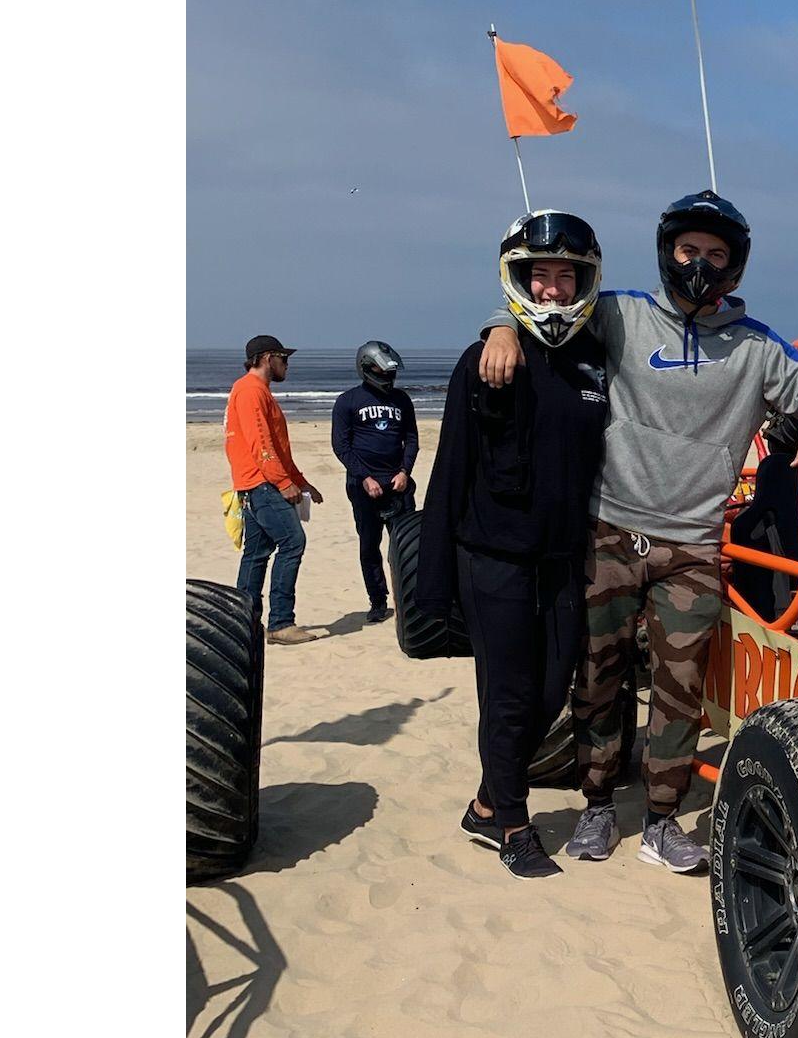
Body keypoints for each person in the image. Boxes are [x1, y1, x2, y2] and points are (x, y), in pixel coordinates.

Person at [479, 189, 798, 874]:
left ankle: (660, 820)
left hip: (692, 544)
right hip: (608, 530)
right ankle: (596, 806)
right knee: (596, 680)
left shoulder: (754, 346)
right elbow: (548, 308)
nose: (699, 264)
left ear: (734, 265)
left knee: (679, 690)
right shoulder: (620, 314)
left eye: (715, 254)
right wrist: (499, 327)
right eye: (688, 251)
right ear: (666, 252)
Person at [418, 214, 610, 880]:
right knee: (507, 695)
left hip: (561, 558)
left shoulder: (594, 362)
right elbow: (447, 474)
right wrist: (431, 589)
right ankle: (514, 823)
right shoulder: (485, 362)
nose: (553, 290)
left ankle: (484, 800)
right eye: (541, 275)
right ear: (518, 278)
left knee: (552, 692)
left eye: (566, 276)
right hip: (491, 560)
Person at [226, 334, 327, 644]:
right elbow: (262, 446)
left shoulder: (257, 392)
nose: (287, 364)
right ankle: (280, 622)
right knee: (293, 542)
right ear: (268, 357)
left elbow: (279, 450)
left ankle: (243, 623)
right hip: (262, 484)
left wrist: (301, 481)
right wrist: (283, 484)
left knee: (256, 553)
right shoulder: (250, 391)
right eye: (284, 358)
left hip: (258, 483)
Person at [331, 341, 420, 624]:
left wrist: (405, 471)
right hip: (364, 487)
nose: (388, 379)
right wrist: (365, 477)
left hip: (398, 485)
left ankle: (410, 599)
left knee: (406, 546)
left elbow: (412, 440)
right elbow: (341, 446)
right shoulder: (347, 402)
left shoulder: (402, 400)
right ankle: (378, 602)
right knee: (370, 546)